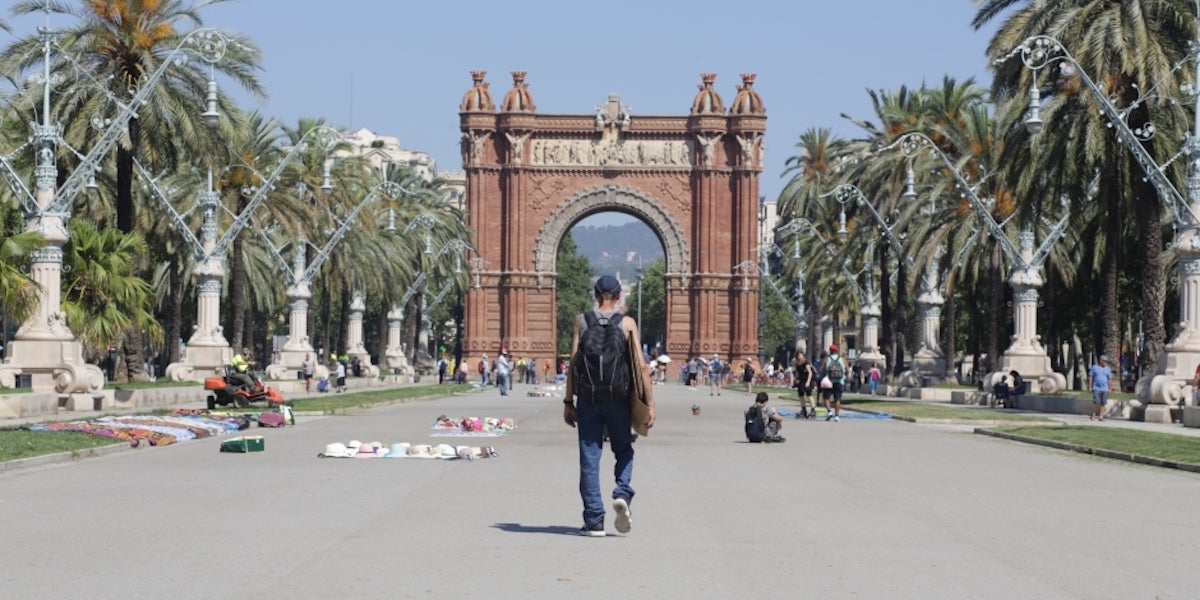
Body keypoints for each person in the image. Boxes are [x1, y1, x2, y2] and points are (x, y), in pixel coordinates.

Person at [563, 274, 654, 537]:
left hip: (589, 400)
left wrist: (569, 402)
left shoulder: (582, 321)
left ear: (595, 294)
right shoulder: (626, 323)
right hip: (619, 399)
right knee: (624, 450)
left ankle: (594, 520)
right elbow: (641, 367)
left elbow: (573, 364)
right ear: (618, 296)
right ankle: (622, 491)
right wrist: (649, 404)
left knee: (589, 459)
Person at [823, 345, 847, 421]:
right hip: (840, 381)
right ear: (837, 351)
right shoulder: (842, 359)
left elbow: (821, 369)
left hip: (829, 382)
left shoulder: (827, 359)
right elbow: (848, 370)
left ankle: (829, 411)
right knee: (837, 399)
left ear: (830, 351)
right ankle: (837, 416)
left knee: (826, 397)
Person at [1089, 354, 1113, 421]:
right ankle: (1093, 414)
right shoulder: (1094, 367)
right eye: (1104, 361)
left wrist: (1109, 388)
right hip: (1096, 388)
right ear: (1100, 361)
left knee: (1103, 402)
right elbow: (1091, 377)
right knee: (1096, 402)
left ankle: (1101, 416)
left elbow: (1109, 379)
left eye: (1106, 361)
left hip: (1104, 388)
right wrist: (1090, 387)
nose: (1105, 362)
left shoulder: (1107, 369)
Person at [793, 352, 816, 418]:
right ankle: (803, 410)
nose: (800, 357)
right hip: (802, 379)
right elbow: (798, 373)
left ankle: (813, 410)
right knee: (800, 394)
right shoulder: (797, 363)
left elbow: (810, 372)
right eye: (799, 356)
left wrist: (808, 382)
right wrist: (795, 380)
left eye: (801, 355)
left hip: (809, 379)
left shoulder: (805, 363)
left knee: (809, 394)